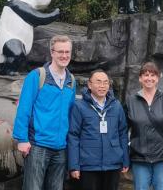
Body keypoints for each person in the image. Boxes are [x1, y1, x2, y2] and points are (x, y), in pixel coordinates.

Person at [12, 35, 76, 190]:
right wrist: (22, 139)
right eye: (60, 51)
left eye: (67, 52)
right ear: (52, 52)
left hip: (60, 147)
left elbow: (70, 114)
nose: (64, 55)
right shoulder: (37, 76)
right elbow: (24, 108)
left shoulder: (71, 81)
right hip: (38, 145)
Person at [125, 61, 163, 190]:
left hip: (162, 158)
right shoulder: (131, 101)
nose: (149, 78)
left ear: (158, 78)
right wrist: (124, 156)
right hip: (139, 158)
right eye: (146, 75)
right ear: (140, 78)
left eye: (153, 75)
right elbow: (123, 130)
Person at [68, 70, 129, 190]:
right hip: (88, 165)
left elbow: (123, 133)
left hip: (112, 163)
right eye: (98, 82)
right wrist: (74, 166)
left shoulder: (116, 106)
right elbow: (73, 136)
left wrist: (125, 160)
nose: (102, 86)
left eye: (105, 82)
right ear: (90, 85)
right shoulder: (79, 106)